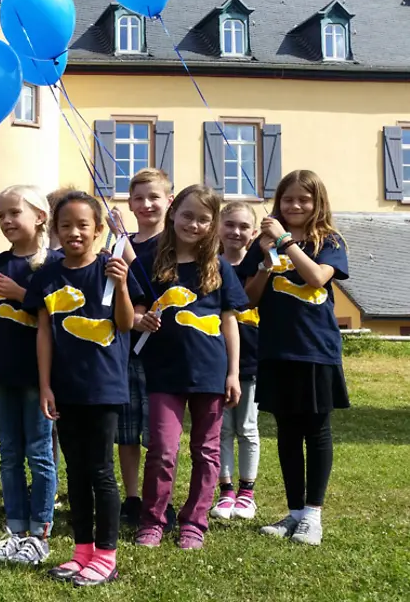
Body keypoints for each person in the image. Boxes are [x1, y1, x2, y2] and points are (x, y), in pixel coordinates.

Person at [28, 191, 140, 586]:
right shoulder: (47, 276)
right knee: (74, 471)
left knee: (99, 471)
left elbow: (126, 324)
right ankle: (82, 551)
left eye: (82, 225)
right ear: (55, 230)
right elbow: (43, 333)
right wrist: (45, 385)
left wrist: (122, 286)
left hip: (104, 388)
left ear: (97, 230)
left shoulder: (111, 269)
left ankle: (106, 555)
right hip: (65, 386)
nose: (74, 232)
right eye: (65, 225)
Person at [131, 184, 247, 550]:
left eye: (202, 219)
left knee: (206, 451)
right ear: (173, 213)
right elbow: (132, 308)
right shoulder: (149, 259)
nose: (193, 224)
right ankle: (153, 520)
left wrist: (233, 373)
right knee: (163, 449)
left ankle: (194, 522)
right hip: (163, 371)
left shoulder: (219, 267)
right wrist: (139, 320)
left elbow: (230, 323)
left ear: (212, 224)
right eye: (187, 215)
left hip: (210, 373)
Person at [241, 170, 349, 546]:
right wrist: (264, 263)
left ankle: (314, 515)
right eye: (288, 200)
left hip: (316, 351)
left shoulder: (329, 241)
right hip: (275, 350)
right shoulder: (264, 244)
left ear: (317, 202)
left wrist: (286, 242)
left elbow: (318, 277)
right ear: (278, 203)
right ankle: (295, 512)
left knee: (316, 431)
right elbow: (249, 299)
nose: (295, 206)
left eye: (303, 199)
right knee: (287, 433)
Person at [0, 186, 60, 565]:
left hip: (38, 377)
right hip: (3, 374)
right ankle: (15, 528)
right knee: (8, 453)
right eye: (2, 215)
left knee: (40, 453)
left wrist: (20, 293)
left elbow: (56, 317)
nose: (6, 221)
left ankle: (40, 532)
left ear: (39, 217)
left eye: (14, 213)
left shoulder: (53, 264)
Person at [112, 168, 176, 529]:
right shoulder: (121, 242)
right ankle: (133, 497)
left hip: (165, 353)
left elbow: (156, 283)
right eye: (139, 198)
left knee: (160, 435)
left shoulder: (177, 242)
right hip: (128, 349)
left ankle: (159, 499)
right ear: (130, 203)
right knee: (127, 429)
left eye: (154, 197)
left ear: (169, 200)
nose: (147, 204)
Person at [210, 203, 262, 521]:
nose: (236, 232)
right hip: (216, 362)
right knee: (222, 430)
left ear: (253, 233)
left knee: (247, 427)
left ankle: (247, 493)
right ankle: (226, 492)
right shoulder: (210, 267)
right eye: (229, 225)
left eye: (244, 226)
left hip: (252, 362)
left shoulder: (259, 269)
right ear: (218, 228)